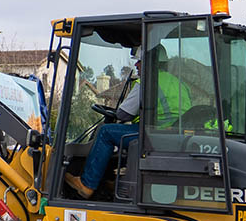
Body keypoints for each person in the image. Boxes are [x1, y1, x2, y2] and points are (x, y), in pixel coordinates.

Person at [64, 45, 190, 199]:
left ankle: (87, 184)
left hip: (152, 135)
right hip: (171, 135)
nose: (136, 65)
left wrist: (115, 113)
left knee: (106, 132)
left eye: (139, 61)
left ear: (150, 63)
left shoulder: (147, 82)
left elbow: (124, 114)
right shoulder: (178, 84)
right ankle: (112, 180)